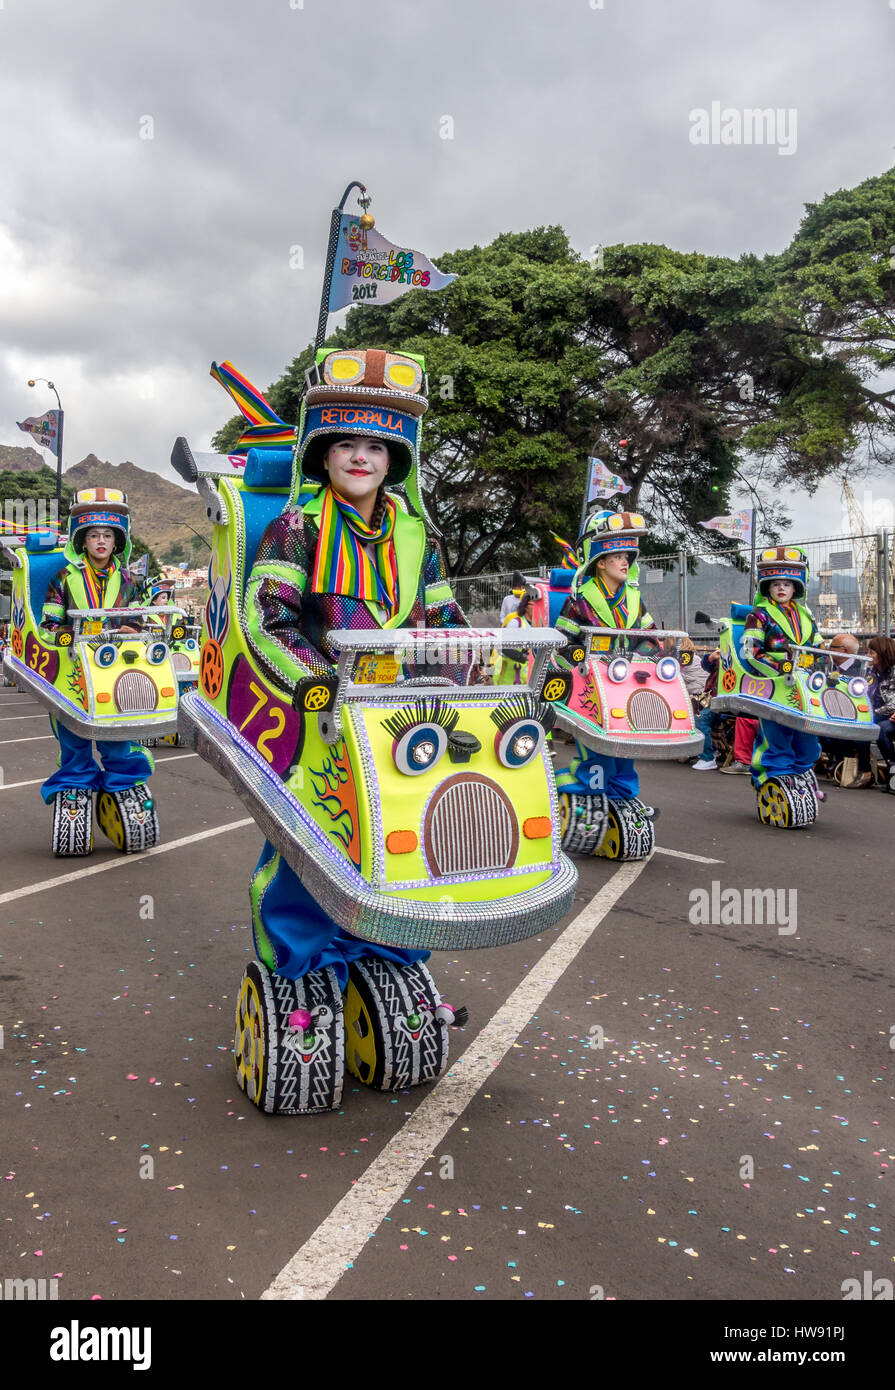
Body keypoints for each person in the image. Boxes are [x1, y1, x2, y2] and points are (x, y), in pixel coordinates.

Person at [242, 347, 468, 1098]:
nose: (361, 457)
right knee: (311, 844)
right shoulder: (293, 529)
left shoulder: (418, 536)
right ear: (323, 454)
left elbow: (444, 622)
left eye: (376, 446)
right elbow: (265, 619)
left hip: (405, 721)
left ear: (393, 459)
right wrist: (319, 688)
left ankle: (391, 967)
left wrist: (471, 682)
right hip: (321, 719)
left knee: (403, 846)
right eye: (346, 444)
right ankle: (300, 980)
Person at [38, 489, 158, 854]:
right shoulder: (63, 578)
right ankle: (75, 787)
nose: (101, 541)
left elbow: (144, 619)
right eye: (93, 535)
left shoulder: (132, 581)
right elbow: (48, 625)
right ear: (82, 540)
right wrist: (69, 635)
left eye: (107, 535)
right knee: (73, 738)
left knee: (118, 739)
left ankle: (124, 786)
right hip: (72, 673)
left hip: (117, 673)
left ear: (117, 540)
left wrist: (133, 630)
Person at [554, 509, 659, 851]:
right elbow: (564, 642)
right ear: (600, 562)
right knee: (597, 756)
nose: (624, 563)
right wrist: (579, 659)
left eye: (627, 557)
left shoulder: (633, 598)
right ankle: (564, 792)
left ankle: (623, 800)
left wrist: (653, 655)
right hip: (591, 689)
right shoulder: (580, 600)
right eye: (616, 557)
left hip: (627, 687)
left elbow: (649, 637)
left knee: (625, 752)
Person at [741, 546, 824, 821]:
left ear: (796, 587)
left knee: (809, 740)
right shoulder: (759, 615)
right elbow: (751, 653)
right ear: (767, 586)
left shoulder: (807, 615)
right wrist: (779, 668)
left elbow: (820, 648)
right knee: (776, 738)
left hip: (807, 685)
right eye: (776, 583)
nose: (781, 588)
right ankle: (771, 777)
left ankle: (800, 773)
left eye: (787, 583)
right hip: (774, 684)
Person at [844, 635, 895, 788]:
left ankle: (892, 769)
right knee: (859, 726)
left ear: (883, 653)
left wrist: (870, 714)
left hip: (890, 715)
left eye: (872, 652)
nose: (868, 656)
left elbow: (892, 704)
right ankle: (865, 772)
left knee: (881, 730)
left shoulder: (894, 672)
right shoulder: (870, 672)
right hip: (878, 715)